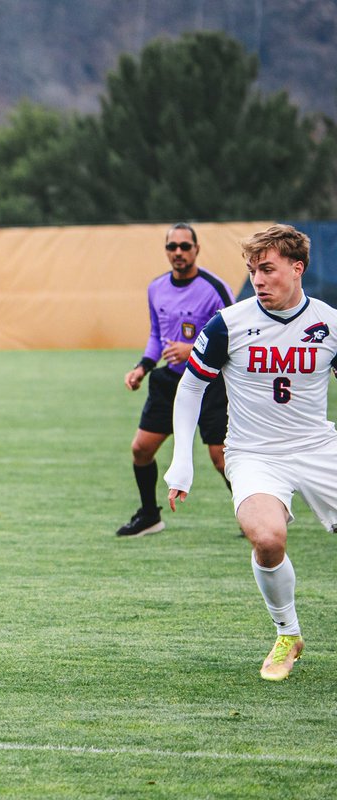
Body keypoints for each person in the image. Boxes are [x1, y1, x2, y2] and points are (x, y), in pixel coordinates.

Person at [165, 224, 333, 682]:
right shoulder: (229, 324)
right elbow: (191, 387)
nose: (258, 280)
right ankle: (287, 633)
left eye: (268, 269)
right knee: (267, 537)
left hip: (319, 448)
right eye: (252, 270)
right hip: (254, 453)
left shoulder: (329, 323)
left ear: (297, 269)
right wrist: (182, 460)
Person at [118, 222, 234, 537]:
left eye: (185, 246)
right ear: (166, 251)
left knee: (221, 458)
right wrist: (142, 367)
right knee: (141, 449)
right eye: (172, 247)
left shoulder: (214, 288)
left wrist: (193, 349)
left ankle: (251, 514)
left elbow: (236, 335)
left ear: (197, 249)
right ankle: (149, 515)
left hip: (211, 382)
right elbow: (158, 335)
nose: (178, 252)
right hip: (169, 381)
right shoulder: (156, 288)